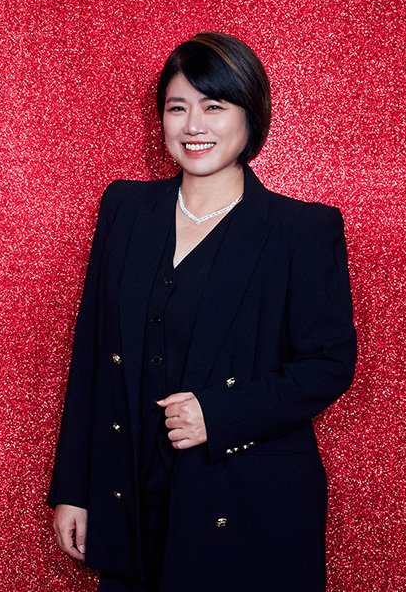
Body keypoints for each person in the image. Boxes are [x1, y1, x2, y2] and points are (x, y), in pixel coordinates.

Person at [48, 32, 357, 592]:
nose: (193, 125)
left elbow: (328, 364)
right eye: (177, 108)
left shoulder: (301, 230)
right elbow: (92, 355)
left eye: (214, 106)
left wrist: (217, 413)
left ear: (250, 116)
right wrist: (74, 488)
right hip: (131, 495)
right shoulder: (125, 209)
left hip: (245, 501)